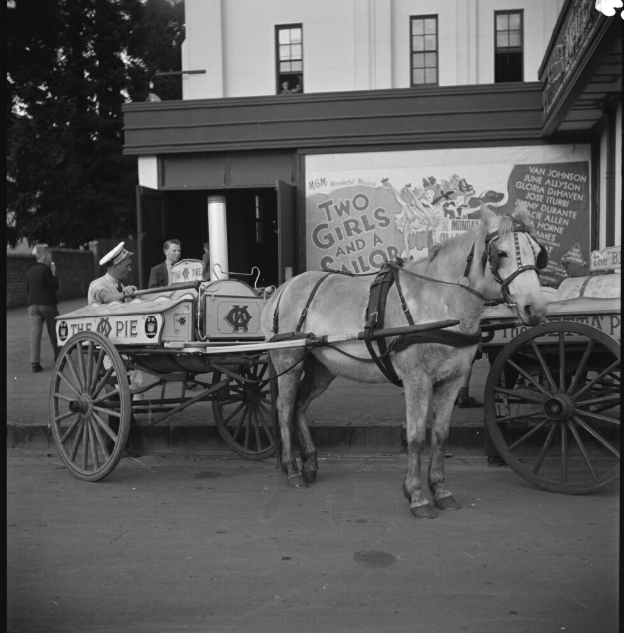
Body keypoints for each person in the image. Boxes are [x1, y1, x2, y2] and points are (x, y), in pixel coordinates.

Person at [27, 245, 60, 372]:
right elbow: (54, 286)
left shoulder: (30, 271)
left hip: (32, 305)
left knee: (35, 334)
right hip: (47, 304)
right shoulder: (46, 270)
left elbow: (28, 290)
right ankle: (58, 356)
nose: (51, 259)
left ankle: (35, 362)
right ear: (45, 257)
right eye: (50, 256)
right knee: (54, 331)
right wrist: (53, 273)